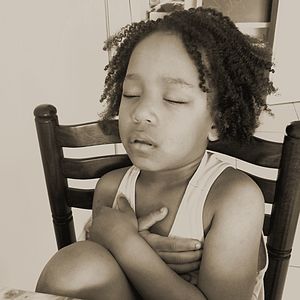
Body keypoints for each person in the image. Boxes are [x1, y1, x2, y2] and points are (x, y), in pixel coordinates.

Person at [36, 7, 276, 300]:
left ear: (217, 121)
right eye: (132, 94)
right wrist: (125, 246)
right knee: (71, 267)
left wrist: (125, 242)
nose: (142, 112)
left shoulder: (233, 199)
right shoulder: (111, 189)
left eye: (173, 99)